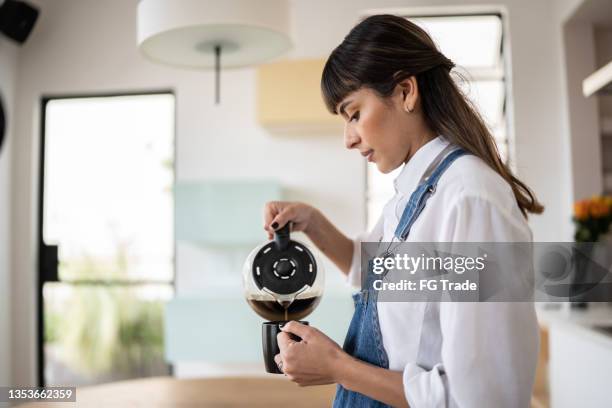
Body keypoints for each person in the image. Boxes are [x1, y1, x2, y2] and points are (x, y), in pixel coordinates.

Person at [263, 14, 543, 408]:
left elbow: (480, 399)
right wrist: (312, 222)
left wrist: (339, 367)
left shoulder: (469, 199)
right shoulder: (413, 194)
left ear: (406, 92)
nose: (349, 138)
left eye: (354, 113)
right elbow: (372, 269)